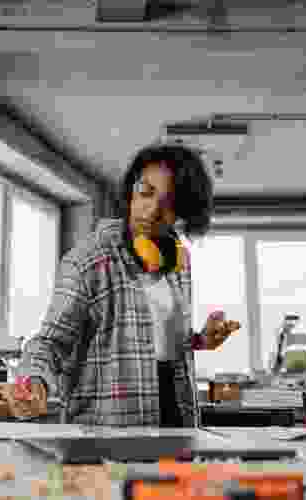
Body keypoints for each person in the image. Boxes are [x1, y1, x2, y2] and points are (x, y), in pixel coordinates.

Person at [21, 143, 240, 427]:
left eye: (169, 203)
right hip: (107, 428)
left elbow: (161, 341)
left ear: (183, 212)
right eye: (145, 192)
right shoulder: (89, 258)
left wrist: (201, 340)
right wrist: (33, 380)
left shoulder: (179, 258)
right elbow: (50, 342)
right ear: (130, 192)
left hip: (178, 416)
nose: (151, 210)